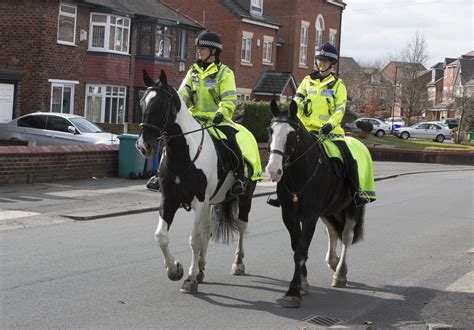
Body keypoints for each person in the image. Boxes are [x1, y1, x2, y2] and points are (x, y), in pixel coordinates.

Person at [146, 31, 245, 195]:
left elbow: (229, 99)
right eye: (198, 48)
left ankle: (239, 178)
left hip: (217, 120)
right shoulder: (193, 71)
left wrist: (222, 112)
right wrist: (176, 107)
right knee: (169, 137)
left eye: (203, 48)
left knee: (231, 141)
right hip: (195, 118)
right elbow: (183, 94)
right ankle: (159, 175)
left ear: (213, 51)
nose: (199, 51)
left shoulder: (225, 73)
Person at [292, 43, 369, 206]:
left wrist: (330, 124)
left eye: (325, 61)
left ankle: (356, 191)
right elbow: (297, 100)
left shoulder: (338, 85)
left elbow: (340, 110)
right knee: (286, 155)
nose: (321, 63)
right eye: (319, 60)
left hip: (329, 133)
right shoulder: (307, 81)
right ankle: (283, 193)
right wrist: (291, 112)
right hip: (306, 130)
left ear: (332, 63)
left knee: (348, 157)